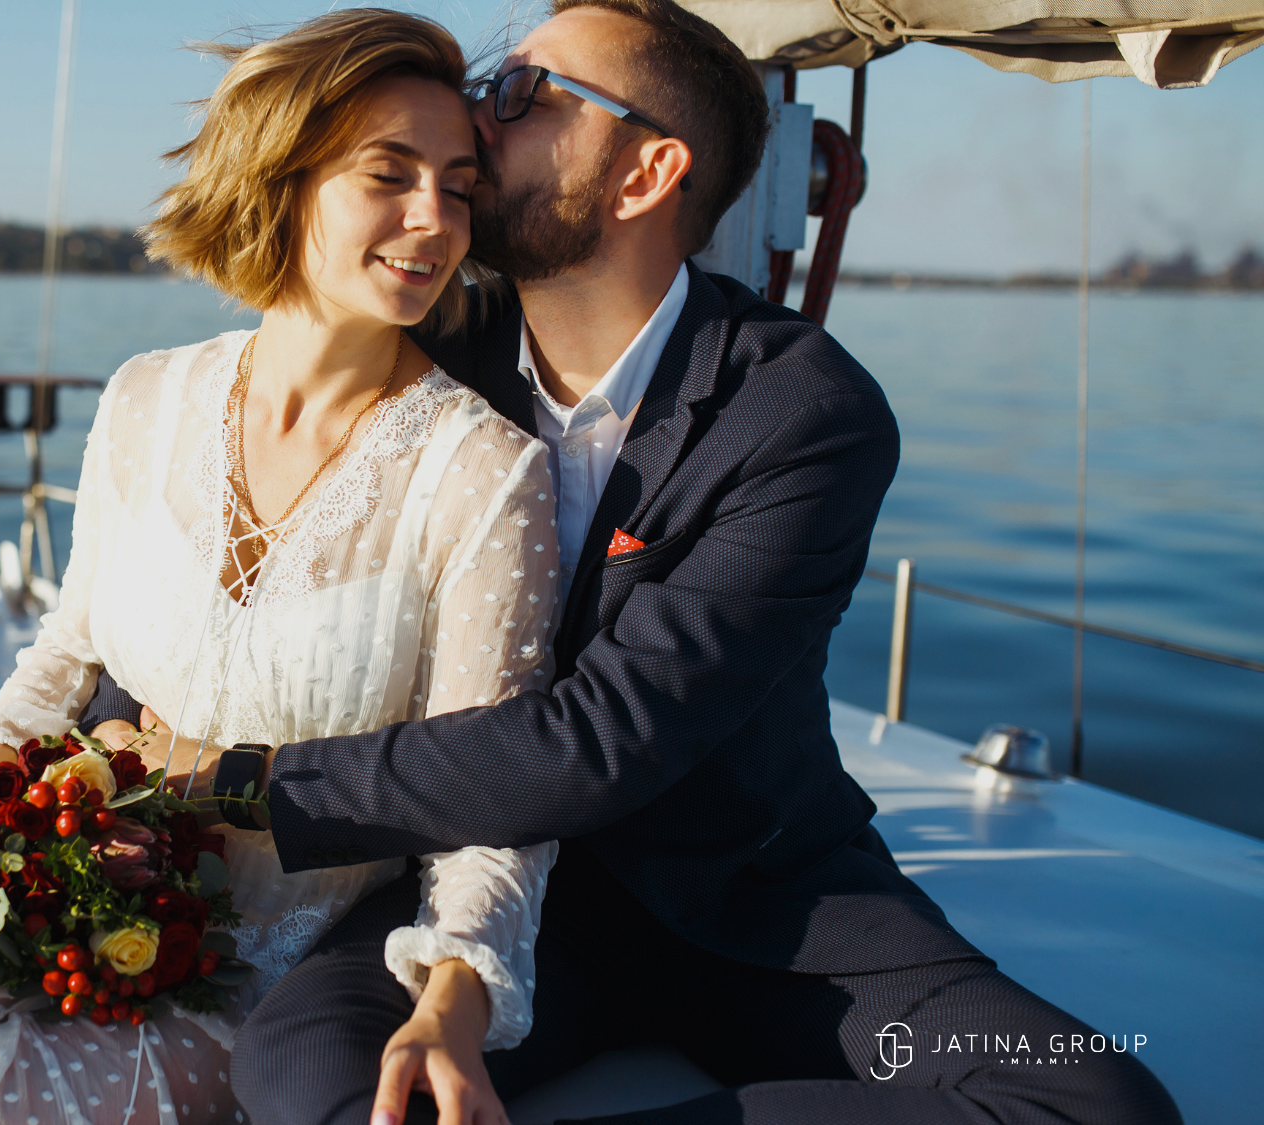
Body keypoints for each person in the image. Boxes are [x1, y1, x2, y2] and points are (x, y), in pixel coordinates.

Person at [89, 2, 1185, 1123]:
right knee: (312, 1075)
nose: (478, 111)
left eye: (522, 94)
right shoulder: (423, 357)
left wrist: (237, 782)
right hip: (495, 893)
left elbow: (604, 738)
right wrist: (95, 754)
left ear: (643, 172)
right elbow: (233, 538)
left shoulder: (799, 412)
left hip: (760, 912)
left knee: (1090, 1104)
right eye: (486, 82)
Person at [0, 10, 564, 1124]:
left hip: (266, 965)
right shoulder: (143, 399)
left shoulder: (479, 473)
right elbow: (71, 645)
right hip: (78, 884)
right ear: (281, 177)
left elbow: (490, 795)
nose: (434, 219)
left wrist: (452, 1000)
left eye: (459, 185)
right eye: (389, 174)